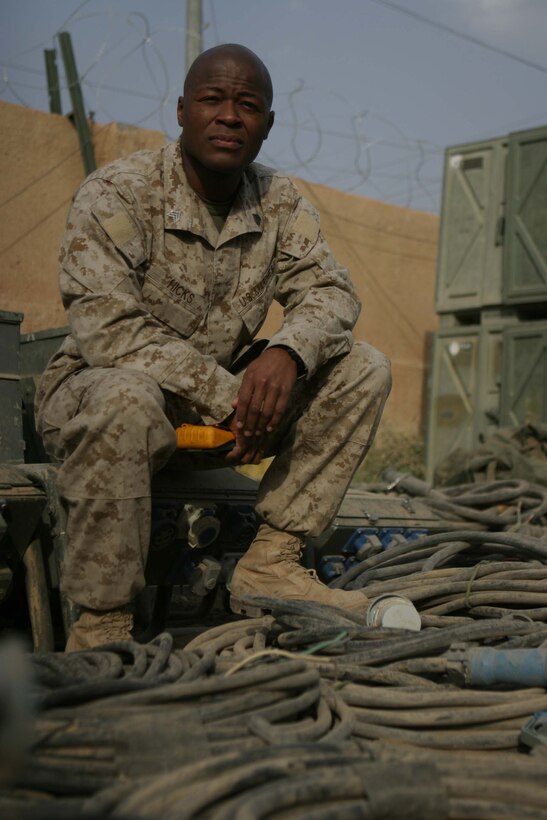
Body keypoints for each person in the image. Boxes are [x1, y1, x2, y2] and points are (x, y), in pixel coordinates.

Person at [35, 44, 391, 651]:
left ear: (267, 125)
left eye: (248, 105)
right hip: (100, 408)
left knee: (364, 366)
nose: (230, 116)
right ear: (181, 111)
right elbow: (107, 329)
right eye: (212, 100)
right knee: (126, 395)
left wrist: (289, 353)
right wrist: (229, 394)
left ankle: (272, 562)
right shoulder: (117, 192)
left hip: (220, 424)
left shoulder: (280, 201)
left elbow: (331, 293)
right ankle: (103, 625)